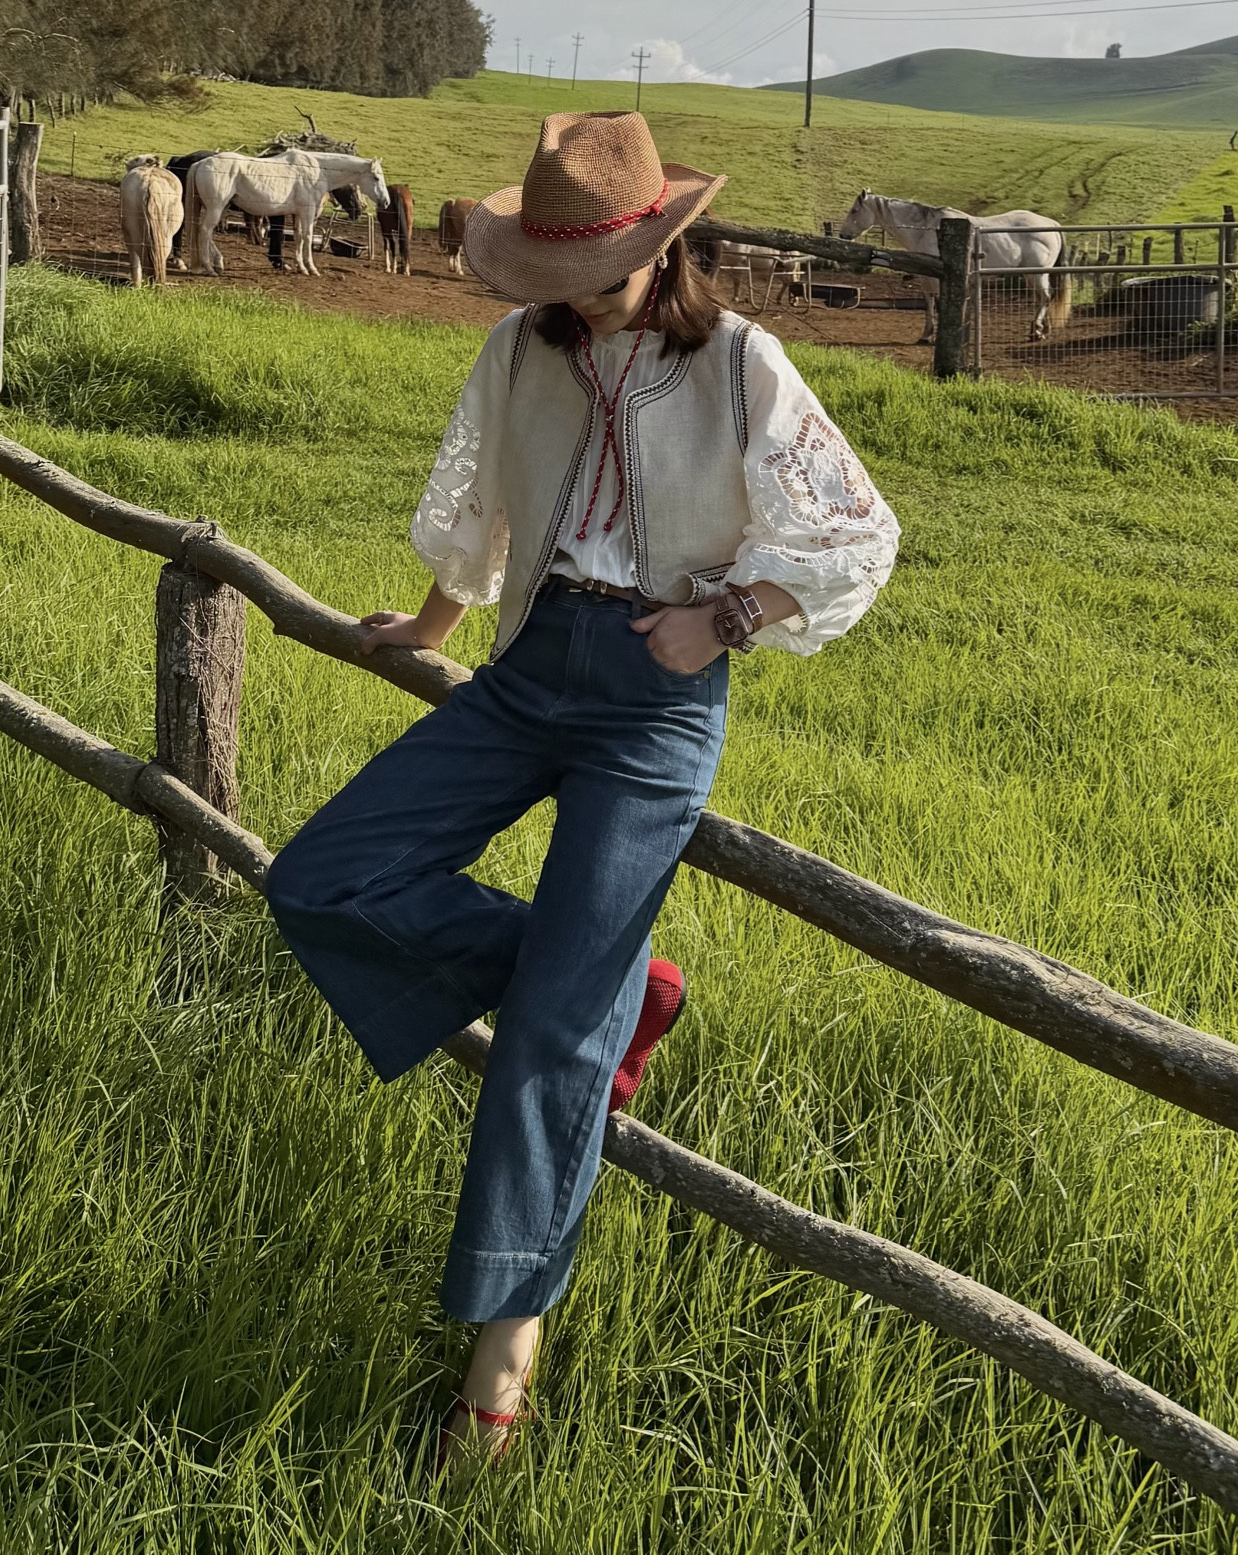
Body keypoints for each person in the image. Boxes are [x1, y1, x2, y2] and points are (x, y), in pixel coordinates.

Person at [265, 111, 899, 1466]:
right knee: (321, 875)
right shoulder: (521, 347)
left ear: (660, 249)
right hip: (527, 664)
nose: (575, 299)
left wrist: (724, 621)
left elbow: (856, 530)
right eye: (554, 276)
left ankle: (497, 1374)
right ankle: (617, 991)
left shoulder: (738, 362)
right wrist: (432, 628)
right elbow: (488, 506)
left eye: (597, 276)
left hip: (655, 696)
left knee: (547, 1048)